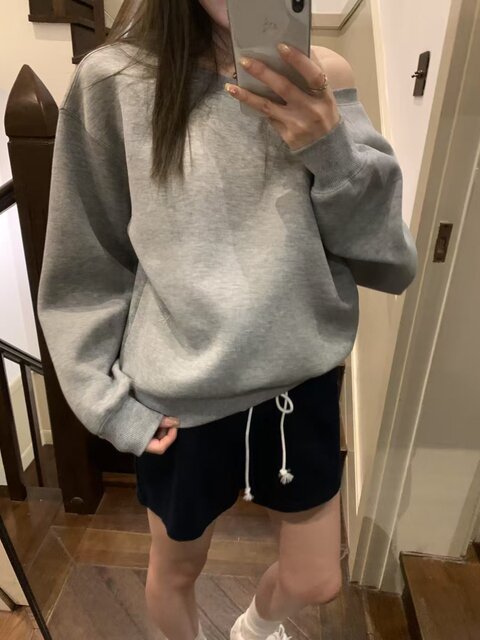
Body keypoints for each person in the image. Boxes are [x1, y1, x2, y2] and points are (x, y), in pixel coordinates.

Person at [36, 0, 418, 639]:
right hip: (179, 398)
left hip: (298, 383)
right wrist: (107, 404)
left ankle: (252, 631)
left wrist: (331, 151)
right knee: (175, 571)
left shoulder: (323, 73)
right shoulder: (114, 81)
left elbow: (386, 259)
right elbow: (86, 262)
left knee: (317, 579)